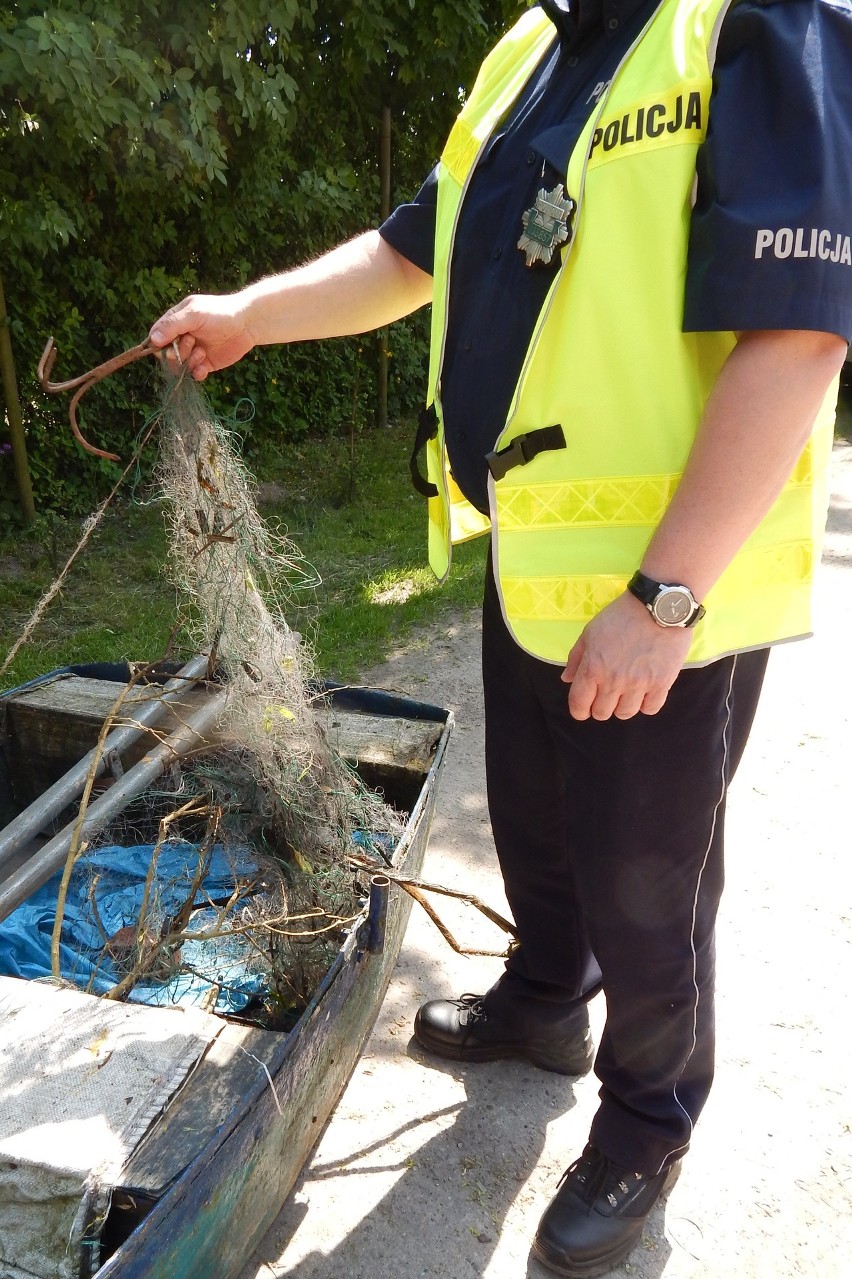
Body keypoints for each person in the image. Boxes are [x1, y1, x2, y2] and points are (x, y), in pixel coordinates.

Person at [149, 1, 852, 1273]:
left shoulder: (755, 24)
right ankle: (543, 1002)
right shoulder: (530, 51)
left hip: (663, 599)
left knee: (653, 886)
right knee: (537, 823)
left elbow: (800, 333)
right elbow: (407, 254)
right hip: (534, 550)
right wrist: (252, 309)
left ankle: (648, 1121)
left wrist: (664, 601)